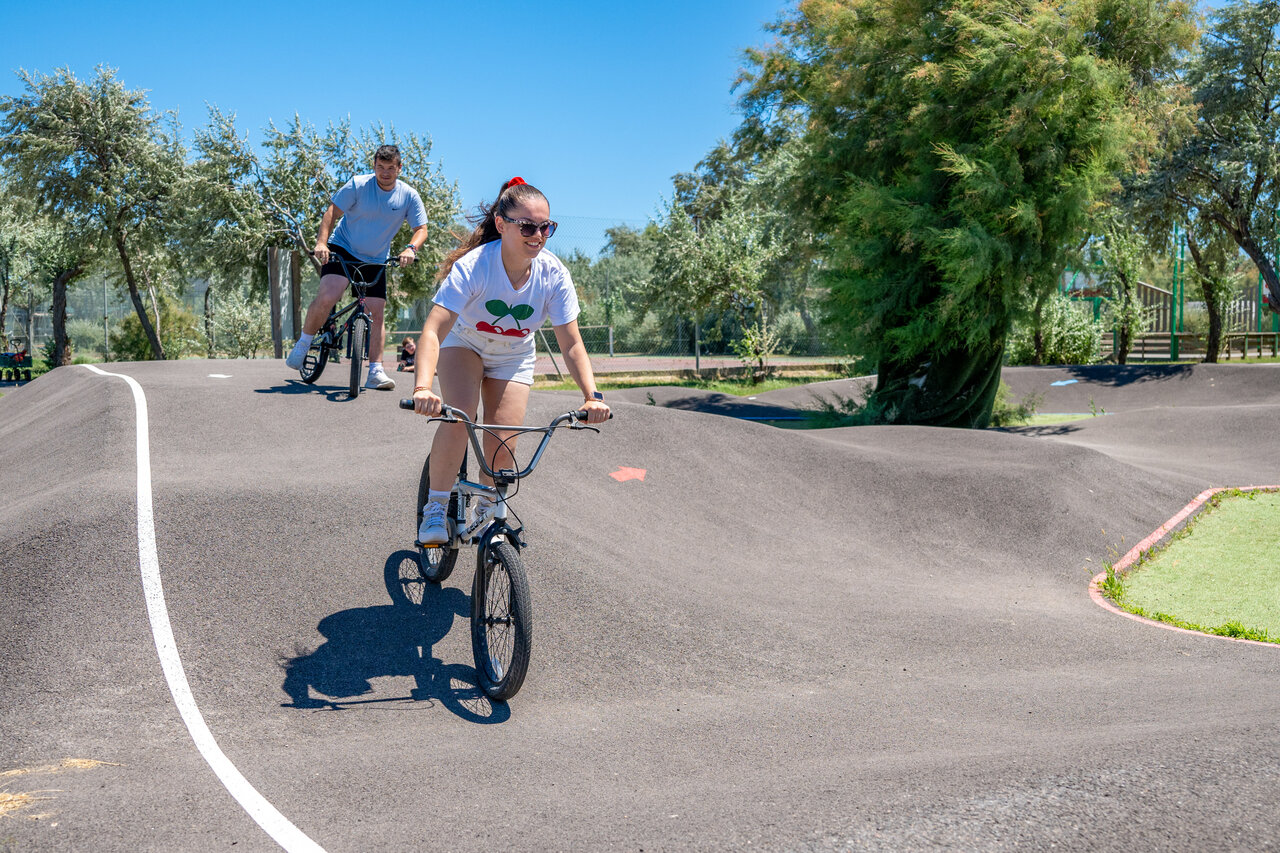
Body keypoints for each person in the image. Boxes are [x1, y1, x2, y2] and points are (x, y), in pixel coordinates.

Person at [410, 176, 610, 544]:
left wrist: (592, 396)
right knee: (461, 416)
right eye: (528, 226)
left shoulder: (553, 275)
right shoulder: (475, 267)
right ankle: (436, 505)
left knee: (504, 442)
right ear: (502, 225)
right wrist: (423, 387)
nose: (538, 234)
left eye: (546, 227)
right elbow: (433, 331)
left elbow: (572, 344)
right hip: (464, 344)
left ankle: (487, 509)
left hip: (514, 355)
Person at [285, 144, 429, 390]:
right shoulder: (358, 185)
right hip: (343, 248)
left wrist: (410, 249)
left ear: (399, 169)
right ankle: (303, 343)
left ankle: (375, 371)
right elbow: (332, 211)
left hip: (375, 258)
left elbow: (421, 229)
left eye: (390, 168)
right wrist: (321, 243)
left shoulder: (408, 195)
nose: (385, 173)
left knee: (377, 311)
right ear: (374, 166)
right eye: (380, 167)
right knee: (330, 294)